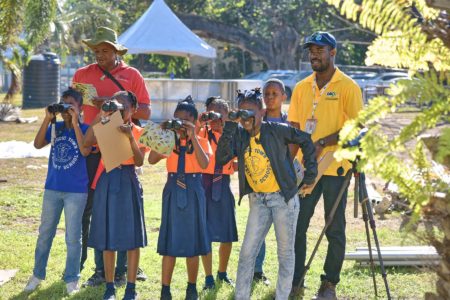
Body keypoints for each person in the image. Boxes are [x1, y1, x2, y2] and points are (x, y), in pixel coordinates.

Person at [216, 89, 317, 300]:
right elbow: (222, 158)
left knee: (285, 254)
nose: (247, 118)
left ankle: (282, 297)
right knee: (246, 254)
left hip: (283, 199)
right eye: (242, 112)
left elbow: (306, 140)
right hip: (258, 201)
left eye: (250, 112)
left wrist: (310, 174)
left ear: (262, 112)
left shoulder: (277, 130)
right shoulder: (240, 135)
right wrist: (230, 125)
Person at [71, 26, 151, 287]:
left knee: (126, 208)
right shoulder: (82, 74)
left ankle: (126, 270)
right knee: (94, 208)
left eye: (105, 50)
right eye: (96, 50)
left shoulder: (132, 75)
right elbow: (74, 106)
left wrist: (108, 103)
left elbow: (147, 112)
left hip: (126, 149)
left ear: (117, 52)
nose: (99, 55)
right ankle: (98, 270)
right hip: (95, 149)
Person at [288, 31, 363, 299]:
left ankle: (329, 283)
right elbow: (294, 129)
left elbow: (358, 128)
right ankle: (295, 281)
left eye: (320, 50)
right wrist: (288, 163)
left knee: (335, 227)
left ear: (333, 52)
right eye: (311, 50)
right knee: (298, 226)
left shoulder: (348, 86)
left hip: (336, 167)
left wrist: (324, 142)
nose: (314, 54)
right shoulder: (301, 87)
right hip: (305, 169)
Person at [24, 89, 91, 295]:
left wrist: (76, 123)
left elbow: (85, 150)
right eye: (63, 104)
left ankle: (72, 278)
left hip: (76, 191)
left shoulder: (87, 128)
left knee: (73, 237)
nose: (65, 109)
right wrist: (48, 119)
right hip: (53, 188)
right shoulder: (56, 127)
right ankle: (37, 274)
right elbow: (36, 145)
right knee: (45, 234)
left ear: (80, 108)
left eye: (70, 105)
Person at [84, 91, 148, 300]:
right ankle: (109, 287)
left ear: (134, 109)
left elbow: (139, 162)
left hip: (128, 178)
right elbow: (86, 143)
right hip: (107, 179)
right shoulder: (105, 124)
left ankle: (130, 288)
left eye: (124, 107)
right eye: (116, 105)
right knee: (107, 235)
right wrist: (101, 115)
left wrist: (130, 136)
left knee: (133, 237)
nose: (120, 110)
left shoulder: (139, 131)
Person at [148, 97, 212, 300]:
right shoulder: (169, 140)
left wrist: (192, 136)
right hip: (173, 188)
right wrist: (163, 131)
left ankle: (191, 287)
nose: (180, 124)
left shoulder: (201, 141)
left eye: (184, 120)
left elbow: (204, 163)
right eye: (177, 119)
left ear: (193, 121)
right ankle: (165, 289)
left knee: (193, 243)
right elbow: (151, 159)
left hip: (193, 189)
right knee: (170, 241)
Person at [198, 97, 238, 290]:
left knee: (227, 234)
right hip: (203, 184)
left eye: (220, 114)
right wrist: (201, 122)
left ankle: (223, 272)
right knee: (204, 233)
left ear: (227, 115)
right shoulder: (202, 133)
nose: (216, 118)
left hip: (223, 183)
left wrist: (226, 130)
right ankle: (208, 277)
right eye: (212, 113)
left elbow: (239, 157)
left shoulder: (232, 133)